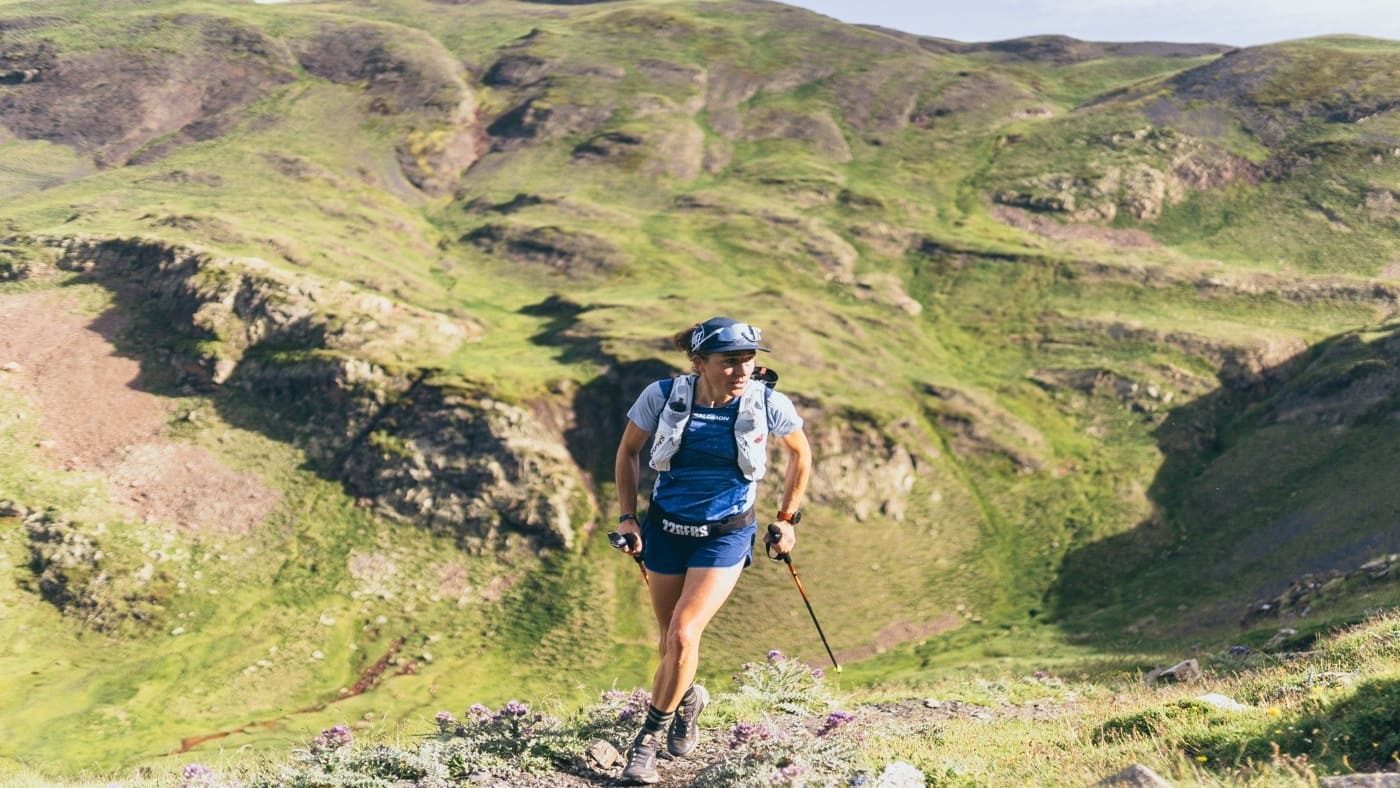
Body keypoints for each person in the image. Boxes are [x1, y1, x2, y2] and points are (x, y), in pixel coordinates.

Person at [612, 316, 812, 784]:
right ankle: (687, 701)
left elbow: (800, 453)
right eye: (730, 361)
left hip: (726, 533)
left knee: (683, 635)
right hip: (665, 529)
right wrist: (627, 517)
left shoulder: (767, 402)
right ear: (699, 362)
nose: (742, 370)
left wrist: (786, 519)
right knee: (669, 644)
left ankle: (644, 745)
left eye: (748, 359)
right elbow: (627, 452)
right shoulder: (661, 397)